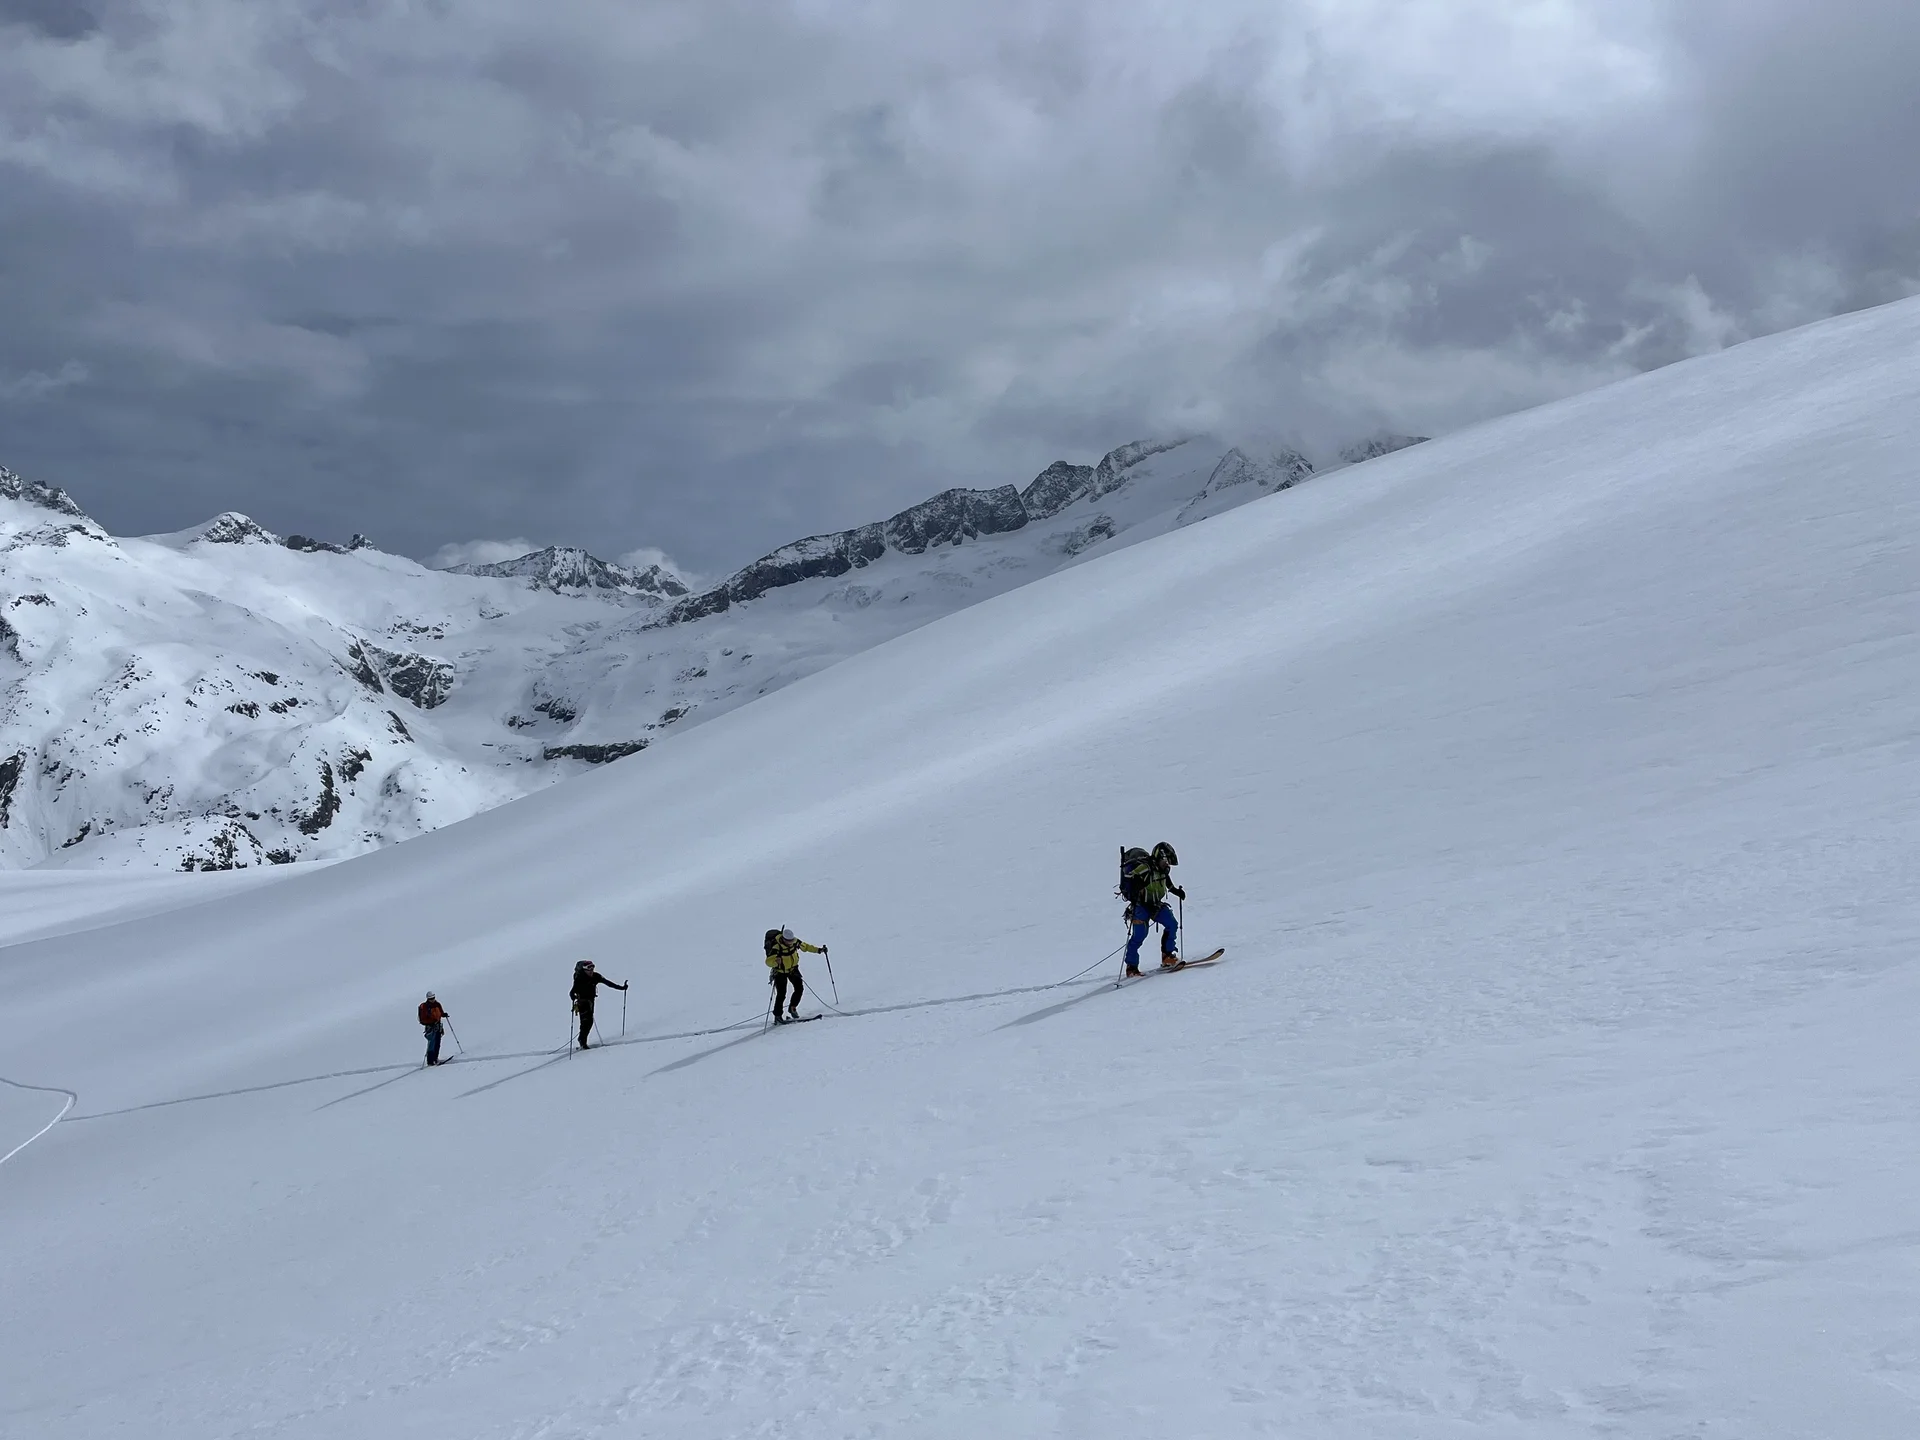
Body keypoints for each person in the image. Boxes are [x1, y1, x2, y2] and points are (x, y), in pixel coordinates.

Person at [1120, 841, 1185, 976]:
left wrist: (1176, 891)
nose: (1167, 865)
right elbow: (1129, 876)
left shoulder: (1162, 870)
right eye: (1165, 861)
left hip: (1156, 904)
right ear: (1159, 857)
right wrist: (1137, 882)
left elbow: (1167, 883)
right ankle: (1131, 967)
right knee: (1139, 936)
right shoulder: (1145, 867)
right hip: (1141, 905)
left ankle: (1167, 956)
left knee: (1171, 924)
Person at [764, 926, 825, 1022]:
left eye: (792, 940)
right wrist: (775, 962)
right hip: (780, 972)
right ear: (784, 939)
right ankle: (778, 1016)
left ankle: (792, 1007)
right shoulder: (776, 947)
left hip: (793, 969)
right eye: (789, 941)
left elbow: (806, 947)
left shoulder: (795, 941)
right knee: (781, 994)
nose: (791, 942)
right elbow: (768, 962)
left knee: (799, 988)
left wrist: (818, 950)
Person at [569, 960, 627, 1049]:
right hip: (582, 1002)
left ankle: (582, 1039)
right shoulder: (579, 978)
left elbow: (608, 983)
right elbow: (572, 991)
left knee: (589, 1021)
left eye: (592, 967)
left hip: (591, 1001)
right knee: (586, 1022)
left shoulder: (596, 976)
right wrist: (573, 996)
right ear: (584, 970)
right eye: (589, 968)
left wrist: (621, 988)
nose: (591, 970)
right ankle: (582, 1041)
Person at [418, 992, 449, 1066]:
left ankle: (435, 1058)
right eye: (431, 999)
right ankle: (430, 1061)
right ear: (428, 999)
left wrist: (443, 1014)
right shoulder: (424, 1007)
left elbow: (440, 1012)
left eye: (433, 998)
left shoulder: (437, 1004)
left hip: (438, 1026)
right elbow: (422, 1019)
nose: (432, 1000)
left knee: (437, 1043)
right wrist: (430, 1022)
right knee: (431, 1043)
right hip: (430, 1027)